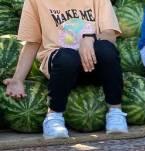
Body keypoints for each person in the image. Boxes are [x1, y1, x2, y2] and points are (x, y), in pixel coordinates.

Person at [3, 0, 128, 139]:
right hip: (61, 66)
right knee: (67, 57)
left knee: (106, 49)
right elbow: (32, 43)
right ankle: (54, 117)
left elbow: (110, 34)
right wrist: (18, 79)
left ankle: (115, 112)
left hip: (93, 64)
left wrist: (90, 38)